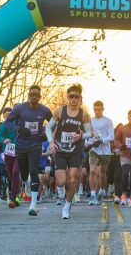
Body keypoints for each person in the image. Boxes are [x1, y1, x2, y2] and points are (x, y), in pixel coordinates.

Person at [46, 84, 93, 219]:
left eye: (76, 97)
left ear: (80, 98)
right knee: (61, 181)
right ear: (68, 97)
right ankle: (64, 192)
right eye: (71, 96)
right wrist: (51, 142)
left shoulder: (84, 114)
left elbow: (90, 133)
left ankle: (67, 206)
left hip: (75, 150)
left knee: (72, 180)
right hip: (60, 149)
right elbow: (48, 128)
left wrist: (81, 136)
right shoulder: (59, 111)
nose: (73, 99)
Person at [5, 85, 52, 216]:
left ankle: (33, 205)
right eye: (32, 94)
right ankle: (26, 182)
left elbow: (55, 125)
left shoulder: (45, 110)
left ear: (40, 96)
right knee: (25, 174)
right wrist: (19, 129)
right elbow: (7, 123)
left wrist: (46, 134)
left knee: (34, 171)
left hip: (35, 144)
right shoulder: (20, 108)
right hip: (21, 145)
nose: (34, 96)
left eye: (36, 94)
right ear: (28, 95)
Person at [88, 100, 114, 205]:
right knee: (93, 171)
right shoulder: (90, 121)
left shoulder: (108, 121)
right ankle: (93, 195)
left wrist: (102, 141)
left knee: (102, 174)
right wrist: (88, 143)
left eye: (99, 109)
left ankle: (102, 190)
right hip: (94, 150)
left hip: (105, 150)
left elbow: (111, 136)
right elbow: (88, 134)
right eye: (95, 109)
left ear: (103, 109)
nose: (97, 111)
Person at [114, 110, 131, 206]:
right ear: (127, 117)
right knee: (125, 173)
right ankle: (124, 195)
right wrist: (120, 146)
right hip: (125, 155)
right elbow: (116, 139)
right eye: (130, 116)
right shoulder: (122, 128)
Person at [106, 123, 124, 204]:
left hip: (119, 158)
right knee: (109, 174)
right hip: (110, 157)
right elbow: (107, 143)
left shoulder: (123, 136)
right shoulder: (112, 134)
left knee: (118, 176)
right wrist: (112, 145)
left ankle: (117, 195)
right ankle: (110, 185)